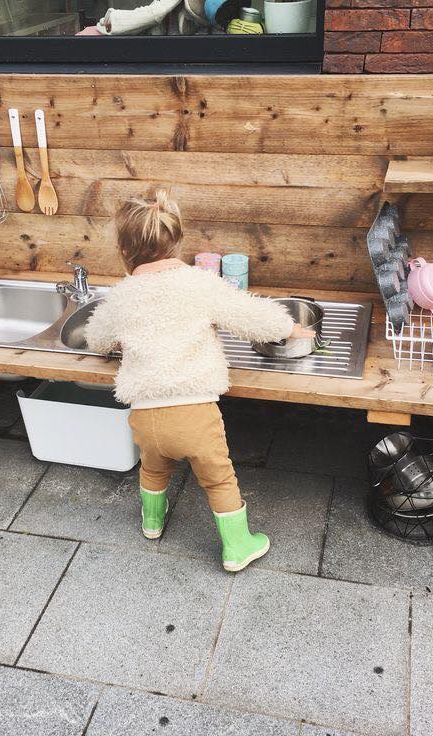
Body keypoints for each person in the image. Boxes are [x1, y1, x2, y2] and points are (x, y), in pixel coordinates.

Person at [84, 190, 311, 571]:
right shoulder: (200, 283)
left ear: (123, 251)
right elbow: (251, 316)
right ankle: (238, 546)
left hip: (145, 417)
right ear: (176, 240)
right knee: (219, 480)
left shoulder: (122, 296)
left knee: (153, 469)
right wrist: (291, 328)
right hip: (195, 414)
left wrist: (119, 339)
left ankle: (153, 522)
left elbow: (97, 337)